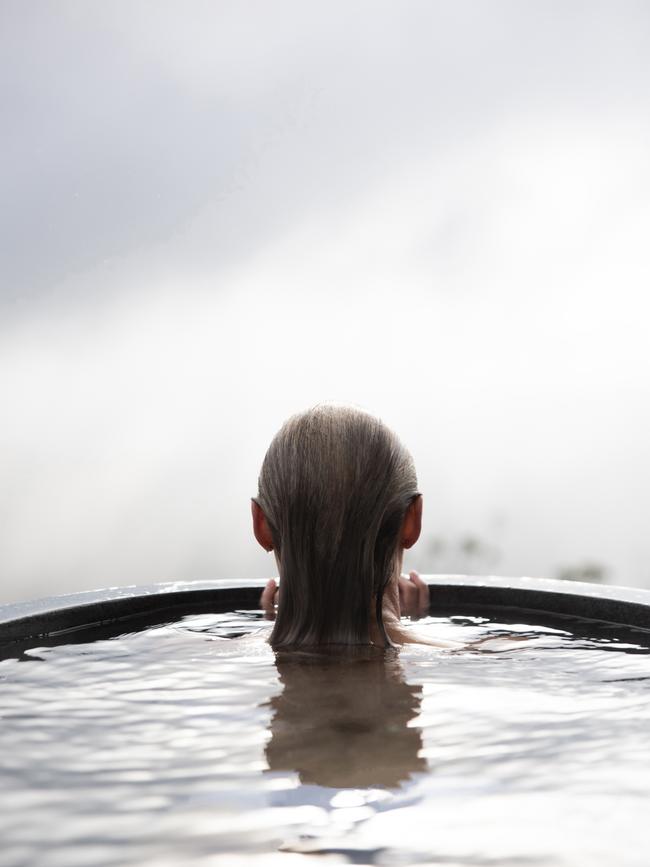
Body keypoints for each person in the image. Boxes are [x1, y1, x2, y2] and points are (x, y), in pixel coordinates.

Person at [251, 402, 465, 650]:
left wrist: (285, 617)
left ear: (261, 526)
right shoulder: (485, 658)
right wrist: (403, 620)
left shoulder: (202, 655)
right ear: (412, 522)